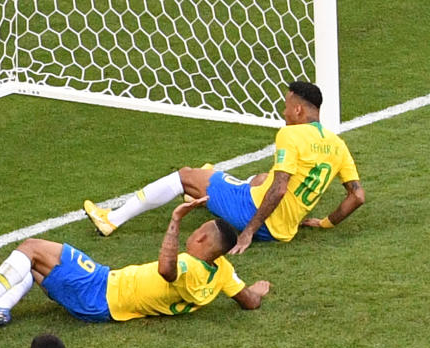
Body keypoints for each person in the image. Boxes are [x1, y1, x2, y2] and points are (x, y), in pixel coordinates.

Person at [83, 80, 365, 254]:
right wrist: (326, 223)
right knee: (261, 177)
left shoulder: (290, 134)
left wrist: (249, 231)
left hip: (254, 216)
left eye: (286, 105)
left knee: (186, 175)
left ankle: (112, 220)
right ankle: (208, 188)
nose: (283, 111)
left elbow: (279, 190)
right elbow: (357, 196)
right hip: (286, 228)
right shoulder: (337, 144)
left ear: (299, 110)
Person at [0, 197, 270, 327]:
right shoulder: (222, 271)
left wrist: (174, 220)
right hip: (104, 297)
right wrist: (255, 290)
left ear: (201, 240)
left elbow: (166, 269)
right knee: (38, 265)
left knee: (31, 247)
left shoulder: (188, 266)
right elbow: (249, 302)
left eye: (197, 230)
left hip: (100, 290)